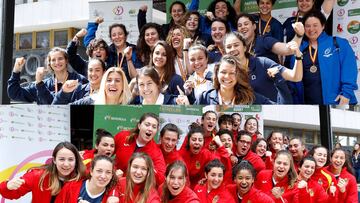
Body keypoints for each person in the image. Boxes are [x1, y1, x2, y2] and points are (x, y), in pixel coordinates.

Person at [290, 10, 358, 104]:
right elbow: (294, 80)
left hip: (337, 102)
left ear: (323, 26)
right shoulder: (298, 49)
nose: (311, 29)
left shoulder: (338, 43)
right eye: (307, 26)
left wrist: (346, 94)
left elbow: (350, 69)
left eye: (315, 25)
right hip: (308, 105)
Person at [224, 31, 303, 103]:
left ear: (244, 47)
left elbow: (296, 77)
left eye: (236, 45)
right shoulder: (225, 73)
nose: (232, 49)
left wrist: (298, 57)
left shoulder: (262, 63)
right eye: (228, 47)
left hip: (269, 113)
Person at [0, 142, 86, 203]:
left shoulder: (82, 178)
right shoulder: (38, 176)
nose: (66, 164)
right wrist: (7, 186)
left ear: (76, 161)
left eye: (70, 159)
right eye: (61, 159)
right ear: (54, 160)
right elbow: (11, 194)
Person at [194, 55, 289, 104]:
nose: (227, 76)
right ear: (217, 74)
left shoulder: (251, 98)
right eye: (223, 72)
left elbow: (283, 108)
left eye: (232, 73)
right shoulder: (204, 98)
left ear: (238, 76)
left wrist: (279, 81)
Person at [7, 47, 88, 104]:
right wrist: (16, 70)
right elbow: (14, 93)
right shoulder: (43, 84)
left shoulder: (79, 79)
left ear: (66, 60)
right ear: (49, 63)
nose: (57, 62)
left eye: (60, 59)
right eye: (53, 60)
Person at [113, 113, 166, 185]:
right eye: (147, 125)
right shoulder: (123, 136)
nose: (150, 129)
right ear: (139, 126)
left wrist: (149, 168)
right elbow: (104, 153)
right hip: (115, 183)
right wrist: (113, 171)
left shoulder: (156, 152)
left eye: (154, 127)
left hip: (136, 189)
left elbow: (161, 179)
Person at [236, 13, 303, 64]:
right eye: (239, 25)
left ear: (254, 26)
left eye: (246, 24)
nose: (243, 27)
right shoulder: (238, 46)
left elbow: (287, 49)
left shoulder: (264, 40)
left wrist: (299, 35)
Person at [179, 123, 229, 188]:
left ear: (203, 142)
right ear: (188, 141)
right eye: (194, 140)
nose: (197, 142)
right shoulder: (180, 154)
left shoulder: (206, 154)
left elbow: (223, 164)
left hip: (199, 189)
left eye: (200, 140)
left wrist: (221, 146)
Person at [64, 67, 131, 105]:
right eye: (109, 80)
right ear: (103, 85)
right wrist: (63, 92)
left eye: (117, 80)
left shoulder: (129, 106)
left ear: (123, 86)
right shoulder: (89, 102)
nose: (113, 83)